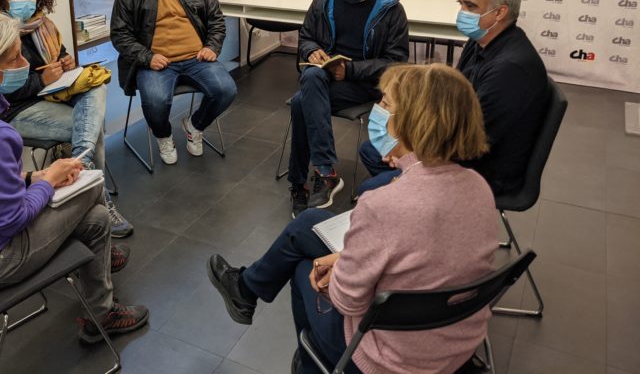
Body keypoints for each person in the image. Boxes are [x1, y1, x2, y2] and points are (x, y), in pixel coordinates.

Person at [208, 63, 498, 374]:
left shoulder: (383, 205)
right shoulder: (479, 188)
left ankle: (311, 364)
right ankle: (247, 290)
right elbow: (427, 254)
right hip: (456, 348)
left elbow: (347, 302)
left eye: (385, 103)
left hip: (387, 359)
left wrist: (339, 271)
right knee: (310, 222)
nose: (377, 111)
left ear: (412, 122)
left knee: (303, 267)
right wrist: (349, 260)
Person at [0, 12, 149, 340]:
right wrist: (49, 181)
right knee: (92, 186)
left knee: (97, 220)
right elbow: (10, 221)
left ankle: (100, 302)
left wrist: (31, 177)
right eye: (14, 58)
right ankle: (101, 301)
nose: (25, 63)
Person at [0, 0, 132, 238]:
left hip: (53, 96)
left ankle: (84, 168)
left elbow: (59, 56)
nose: (25, 1)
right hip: (15, 109)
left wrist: (66, 64)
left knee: (96, 84)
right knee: (91, 129)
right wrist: (42, 80)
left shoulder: (42, 25)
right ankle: (99, 197)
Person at [358, 0, 548, 197]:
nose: (462, 13)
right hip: (464, 144)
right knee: (373, 149)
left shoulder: (510, 69)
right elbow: (452, 102)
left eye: (471, 6)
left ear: (500, 12)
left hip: (484, 170)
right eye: (461, 4)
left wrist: (411, 153)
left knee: (368, 188)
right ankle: (415, 201)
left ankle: (421, 201)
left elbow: (473, 140)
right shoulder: (481, 42)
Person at [288, 0, 409, 217]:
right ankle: (324, 173)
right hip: (323, 78)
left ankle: (303, 181)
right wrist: (312, 51)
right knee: (312, 77)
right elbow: (306, 37)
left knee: (301, 102)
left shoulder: (390, 9)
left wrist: (350, 70)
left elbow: (396, 62)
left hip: (362, 85)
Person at [110, 0, 237, 164]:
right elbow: (120, 35)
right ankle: (164, 136)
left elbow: (216, 19)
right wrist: (147, 57)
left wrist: (212, 46)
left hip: (197, 58)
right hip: (156, 64)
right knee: (156, 101)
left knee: (226, 90)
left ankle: (194, 126)